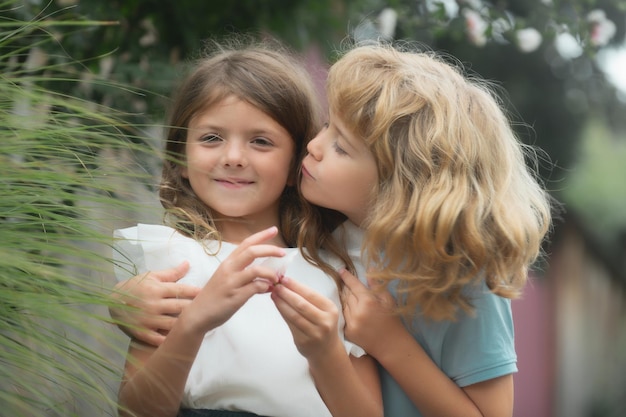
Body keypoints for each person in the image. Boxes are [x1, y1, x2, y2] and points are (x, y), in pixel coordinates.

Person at [111, 42, 552, 417]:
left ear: (399, 181)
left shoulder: (419, 273)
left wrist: (384, 341)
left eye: (339, 144)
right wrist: (122, 304)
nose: (315, 147)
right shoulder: (336, 252)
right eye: (325, 127)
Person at [111, 38, 382, 417]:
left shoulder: (338, 270)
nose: (234, 157)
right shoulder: (171, 265)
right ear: (181, 157)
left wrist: (325, 354)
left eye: (260, 141)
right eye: (211, 138)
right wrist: (194, 321)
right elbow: (133, 411)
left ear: (295, 166)